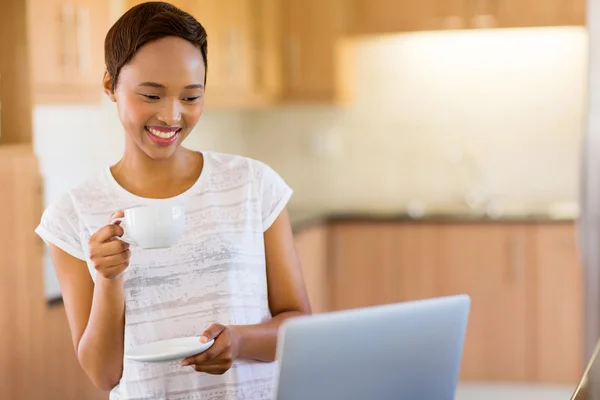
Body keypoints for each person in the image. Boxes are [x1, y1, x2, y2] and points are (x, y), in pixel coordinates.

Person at [34, 2, 311, 399]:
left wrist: (239, 342)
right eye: (151, 95)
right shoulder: (71, 215)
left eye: (191, 97)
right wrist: (109, 282)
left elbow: (299, 325)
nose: (171, 115)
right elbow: (102, 374)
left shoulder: (253, 185)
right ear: (110, 85)